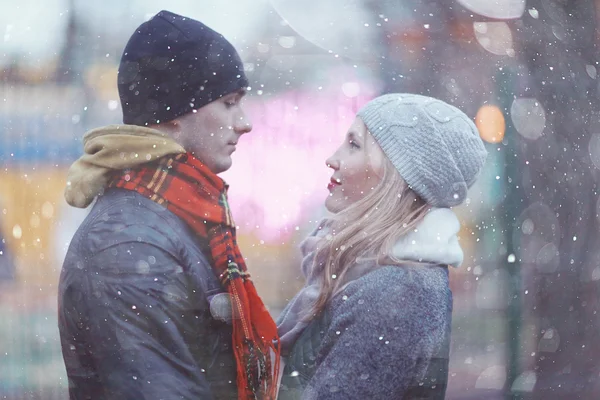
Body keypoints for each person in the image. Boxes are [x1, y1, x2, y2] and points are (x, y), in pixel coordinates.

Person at [58, 10, 280, 400]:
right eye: (229, 103)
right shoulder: (128, 244)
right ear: (175, 114)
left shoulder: (174, 214)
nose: (244, 122)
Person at [276, 93, 488, 399]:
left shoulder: (398, 291)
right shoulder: (379, 275)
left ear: (396, 176)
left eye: (354, 145)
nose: (332, 159)